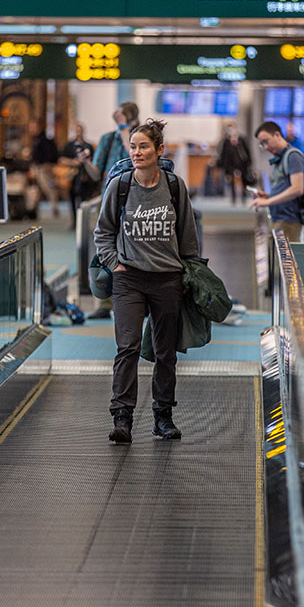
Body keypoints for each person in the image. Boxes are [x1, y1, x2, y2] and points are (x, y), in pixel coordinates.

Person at [94, 118, 200, 444]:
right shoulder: (121, 185)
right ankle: (122, 418)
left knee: (165, 352)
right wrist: (115, 265)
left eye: (143, 147)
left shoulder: (174, 186)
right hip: (129, 279)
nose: (137, 152)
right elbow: (103, 232)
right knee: (127, 347)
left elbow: (188, 236)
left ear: (159, 150)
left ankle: (163, 417)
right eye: (133, 147)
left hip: (167, 279)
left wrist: (188, 273)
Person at [88, 101, 139, 319]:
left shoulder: (138, 138)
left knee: (134, 249)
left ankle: (136, 299)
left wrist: (123, 128)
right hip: (108, 198)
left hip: (134, 200)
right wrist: (84, 163)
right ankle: (105, 301)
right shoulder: (107, 140)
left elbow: (133, 155)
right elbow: (95, 173)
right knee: (106, 248)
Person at [249, 120, 304, 243]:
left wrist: (268, 201)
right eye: (262, 144)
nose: (265, 147)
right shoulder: (281, 158)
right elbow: (286, 189)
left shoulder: (293, 156)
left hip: (289, 222)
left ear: (277, 135)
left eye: (266, 141)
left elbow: (297, 189)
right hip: (279, 220)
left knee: (285, 262)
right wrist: (269, 196)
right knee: (275, 260)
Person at [60, 124, 97, 226]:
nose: (78, 133)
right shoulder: (69, 145)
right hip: (72, 176)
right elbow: (61, 159)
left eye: (80, 130)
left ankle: (84, 221)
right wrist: (73, 162)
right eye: (76, 131)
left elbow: (94, 161)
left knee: (85, 200)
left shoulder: (88, 146)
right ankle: (74, 220)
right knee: (72, 199)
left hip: (85, 176)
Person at [29, 121, 61, 218]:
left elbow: (50, 154)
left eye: (33, 127)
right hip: (37, 167)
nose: (31, 129)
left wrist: (49, 165)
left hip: (44, 167)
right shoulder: (35, 139)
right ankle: (33, 209)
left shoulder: (45, 139)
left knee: (48, 188)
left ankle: (54, 207)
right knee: (36, 189)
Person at [216, 123, 254, 203]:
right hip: (231, 164)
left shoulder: (241, 140)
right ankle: (233, 199)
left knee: (243, 180)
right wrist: (224, 168)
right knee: (231, 181)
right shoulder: (226, 142)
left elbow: (247, 151)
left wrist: (249, 162)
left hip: (242, 163)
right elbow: (224, 155)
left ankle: (243, 197)